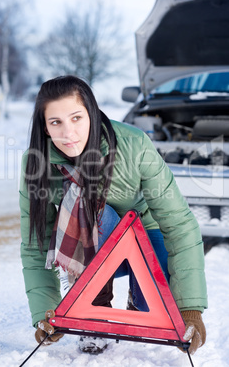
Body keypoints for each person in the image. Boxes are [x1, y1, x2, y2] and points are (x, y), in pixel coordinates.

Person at [19, 75, 207, 355]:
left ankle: (138, 293)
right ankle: (94, 309)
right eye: (56, 122)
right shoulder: (36, 162)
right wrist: (47, 311)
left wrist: (190, 309)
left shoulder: (134, 144)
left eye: (76, 118)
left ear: (92, 114)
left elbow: (179, 223)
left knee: (152, 307)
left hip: (146, 231)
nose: (68, 133)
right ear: (45, 128)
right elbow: (35, 241)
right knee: (90, 206)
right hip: (96, 240)